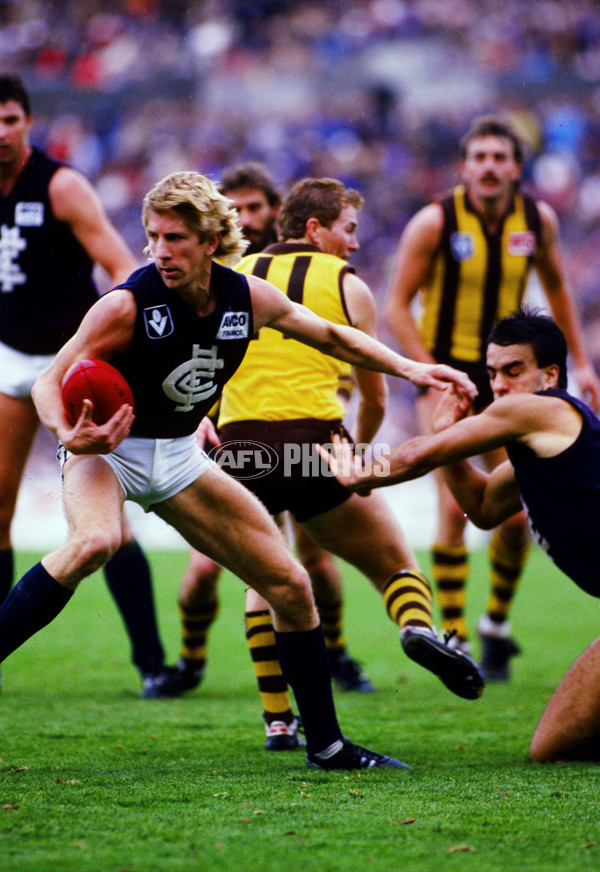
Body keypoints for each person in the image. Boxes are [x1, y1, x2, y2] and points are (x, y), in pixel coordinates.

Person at [0, 170, 479, 771]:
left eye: (175, 239)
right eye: (152, 237)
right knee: (95, 541)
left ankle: (326, 746)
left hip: (177, 455)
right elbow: (51, 380)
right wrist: (68, 433)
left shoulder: (246, 297)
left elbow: (334, 337)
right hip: (109, 450)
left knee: (291, 586)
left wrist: (415, 372)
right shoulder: (125, 304)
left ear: (210, 240)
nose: (160, 252)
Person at [214, 175, 485, 738]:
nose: (355, 244)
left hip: (240, 453)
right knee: (394, 564)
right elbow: (375, 394)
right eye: (349, 230)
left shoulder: (234, 277)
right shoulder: (346, 285)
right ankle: (415, 626)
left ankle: (278, 720)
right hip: (315, 447)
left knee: (262, 581)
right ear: (316, 230)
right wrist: (356, 459)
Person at [319, 308, 600, 762]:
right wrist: (447, 436)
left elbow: (419, 455)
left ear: (550, 375)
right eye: (492, 373)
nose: (500, 386)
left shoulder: (537, 410)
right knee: (552, 747)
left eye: (513, 370)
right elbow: (484, 508)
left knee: (553, 747)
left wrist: (361, 474)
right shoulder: (542, 442)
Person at [385, 114, 600, 682]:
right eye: (479, 157)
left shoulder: (538, 220)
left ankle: (495, 627)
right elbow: (397, 306)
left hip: (515, 374)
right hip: (455, 372)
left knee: (510, 515)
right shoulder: (434, 222)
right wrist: (425, 374)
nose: (488, 167)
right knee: (453, 511)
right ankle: (453, 634)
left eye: (499, 158)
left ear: (516, 168)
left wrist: (580, 365)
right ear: (464, 167)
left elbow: (557, 286)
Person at [174, 164, 374, 729]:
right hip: (241, 429)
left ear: (273, 211)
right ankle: (191, 662)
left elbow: (333, 343)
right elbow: (203, 361)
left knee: (305, 566)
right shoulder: (224, 277)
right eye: (234, 210)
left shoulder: (294, 277)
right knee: (211, 574)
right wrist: (198, 418)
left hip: (290, 432)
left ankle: (323, 664)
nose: (247, 218)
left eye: (254, 208)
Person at [0, 73, 169, 698]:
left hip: (77, 364)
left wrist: (129, 340)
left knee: (109, 525)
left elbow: (124, 268)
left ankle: (153, 663)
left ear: (28, 122)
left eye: (10, 118)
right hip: (11, 356)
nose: (0, 131)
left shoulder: (62, 185)